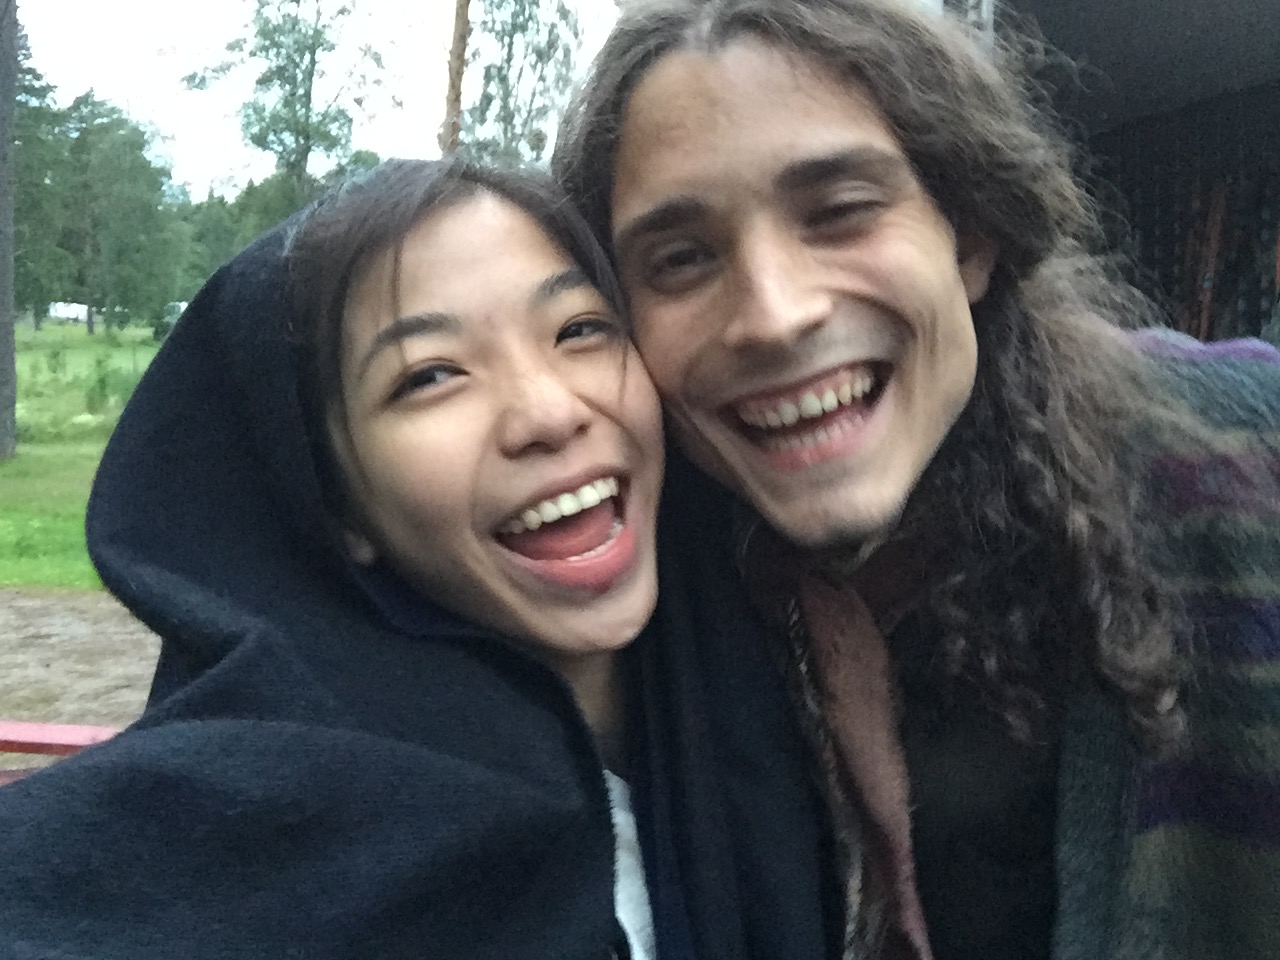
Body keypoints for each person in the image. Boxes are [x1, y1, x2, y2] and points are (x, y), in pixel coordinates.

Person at [553, 1, 1280, 958]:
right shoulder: (635, 607)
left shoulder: (1245, 451)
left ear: (968, 234)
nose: (773, 315)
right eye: (681, 259)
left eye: (839, 212)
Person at [0, 159, 838, 959]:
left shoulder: (803, 708)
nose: (548, 412)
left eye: (579, 330)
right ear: (334, 504)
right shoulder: (270, 834)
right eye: (431, 376)